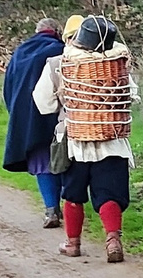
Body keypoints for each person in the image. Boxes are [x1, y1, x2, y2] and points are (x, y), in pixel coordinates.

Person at [33, 14, 137, 262]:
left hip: (75, 139)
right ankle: (112, 240)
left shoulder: (58, 63)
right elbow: (131, 93)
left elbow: (43, 103)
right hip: (113, 138)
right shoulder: (117, 63)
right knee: (110, 193)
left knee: (73, 193)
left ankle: (73, 243)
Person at [0, 15, 65, 226]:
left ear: (37, 31)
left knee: (42, 162)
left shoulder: (20, 52)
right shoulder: (62, 50)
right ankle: (68, 203)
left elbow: (8, 89)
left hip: (29, 119)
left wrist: (18, 116)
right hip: (58, 115)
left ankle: (51, 209)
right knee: (64, 159)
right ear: (57, 32)